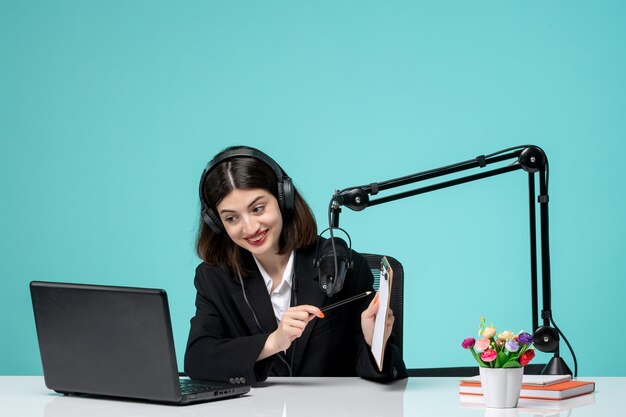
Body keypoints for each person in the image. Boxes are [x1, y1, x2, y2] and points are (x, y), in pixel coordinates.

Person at [184, 145, 407, 384]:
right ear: (217, 223)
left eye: (258, 208)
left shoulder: (342, 265)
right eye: (231, 218)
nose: (249, 228)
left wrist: (375, 344)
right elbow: (198, 359)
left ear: (284, 199)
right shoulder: (213, 277)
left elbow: (387, 371)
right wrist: (272, 342)